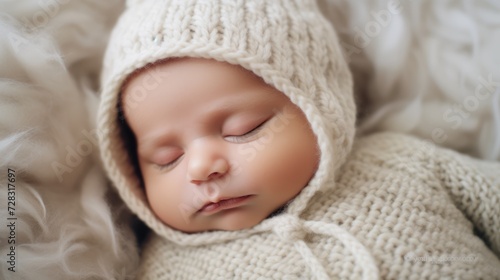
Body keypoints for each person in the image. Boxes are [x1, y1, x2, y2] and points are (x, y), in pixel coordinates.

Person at [97, 0, 500, 279]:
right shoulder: (164, 268)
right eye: (166, 158)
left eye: (244, 129)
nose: (202, 168)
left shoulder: (400, 163)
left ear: (319, 106)